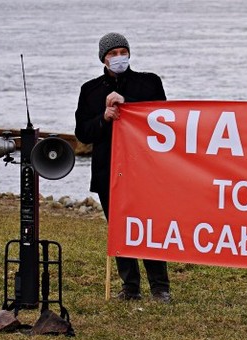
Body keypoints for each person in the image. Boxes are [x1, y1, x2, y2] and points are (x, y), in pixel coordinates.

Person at [75, 32, 172, 303]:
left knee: (149, 226)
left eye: (122, 52)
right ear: (103, 59)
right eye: (113, 53)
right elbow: (83, 133)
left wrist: (128, 106)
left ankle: (160, 287)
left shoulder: (149, 83)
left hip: (143, 169)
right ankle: (130, 287)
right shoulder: (90, 90)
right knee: (119, 228)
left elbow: (163, 121)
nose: (119, 57)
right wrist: (104, 118)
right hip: (108, 170)